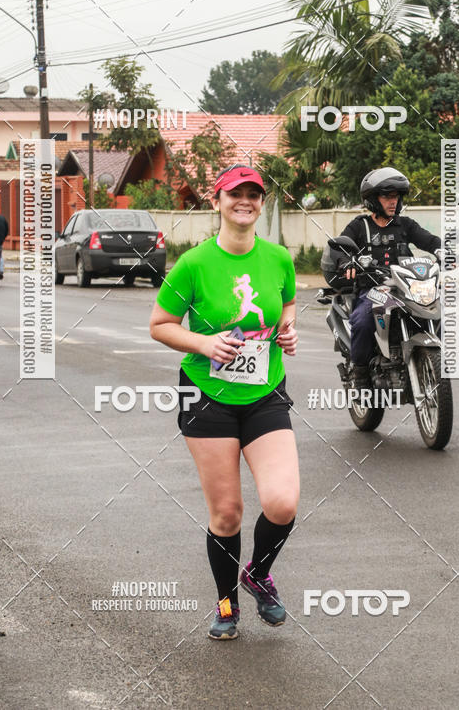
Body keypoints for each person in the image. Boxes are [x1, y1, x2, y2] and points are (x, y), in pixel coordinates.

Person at [149, 164, 299, 641]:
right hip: (206, 397)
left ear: (261, 204)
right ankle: (227, 602)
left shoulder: (278, 258)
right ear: (217, 201)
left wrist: (288, 330)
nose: (246, 201)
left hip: (265, 392)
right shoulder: (194, 264)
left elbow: (287, 304)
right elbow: (160, 324)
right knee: (228, 512)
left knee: (282, 502)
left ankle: (257, 573)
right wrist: (203, 343)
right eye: (236, 194)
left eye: (254, 195)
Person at [339, 167, 441, 388]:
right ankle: (360, 374)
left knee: (435, 309)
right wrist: (347, 261)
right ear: (373, 199)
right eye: (387, 196)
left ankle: (430, 359)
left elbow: (430, 240)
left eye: (396, 196)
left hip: (405, 287)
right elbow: (342, 246)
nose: (393, 201)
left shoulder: (405, 225)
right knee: (363, 321)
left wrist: (444, 251)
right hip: (374, 290)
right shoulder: (360, 226)